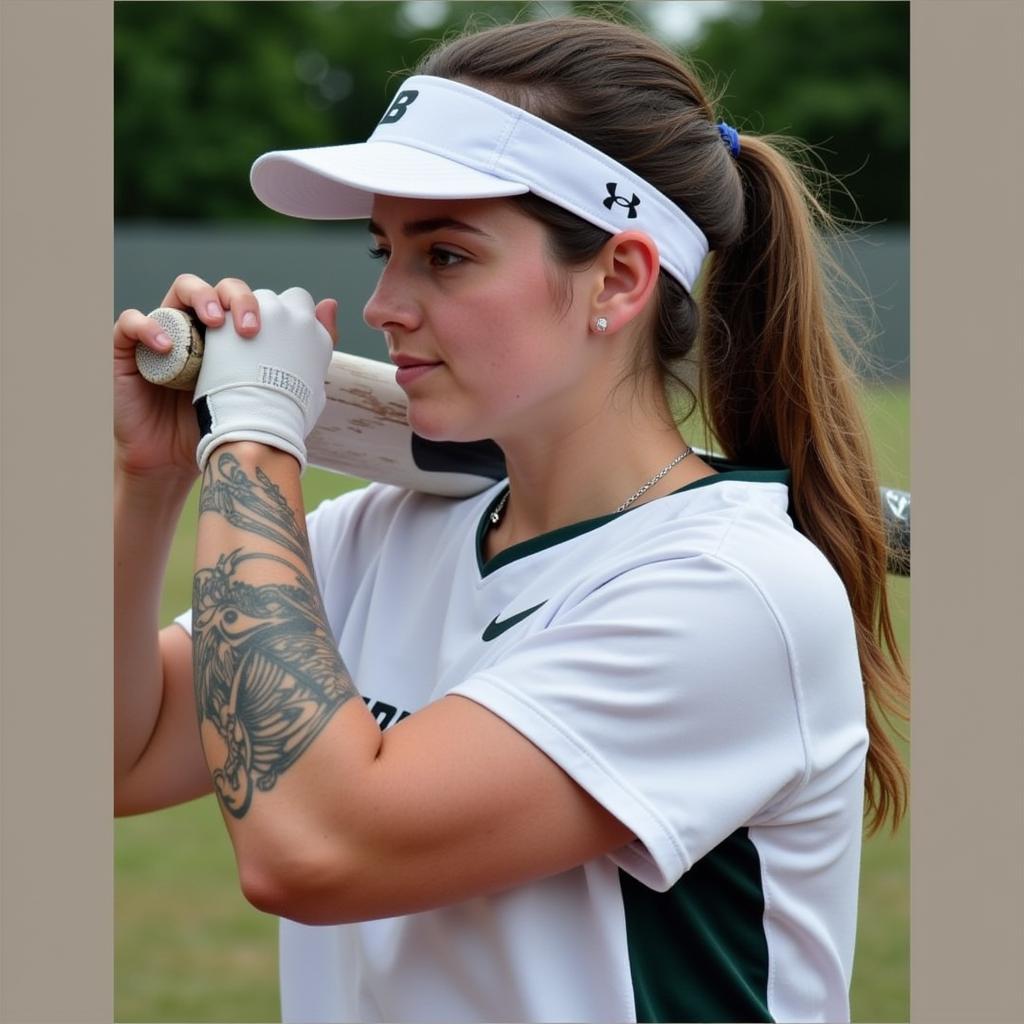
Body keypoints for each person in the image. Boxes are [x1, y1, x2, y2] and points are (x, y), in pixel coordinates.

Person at [114, 16, 908, 1024]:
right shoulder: (378, 536)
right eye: (383, 250)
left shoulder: (733, 594)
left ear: (617, 280)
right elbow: (112, 752)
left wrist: (257, 438)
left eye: (444, 256)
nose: (382, 305)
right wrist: (154, 480)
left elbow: (312, 846)